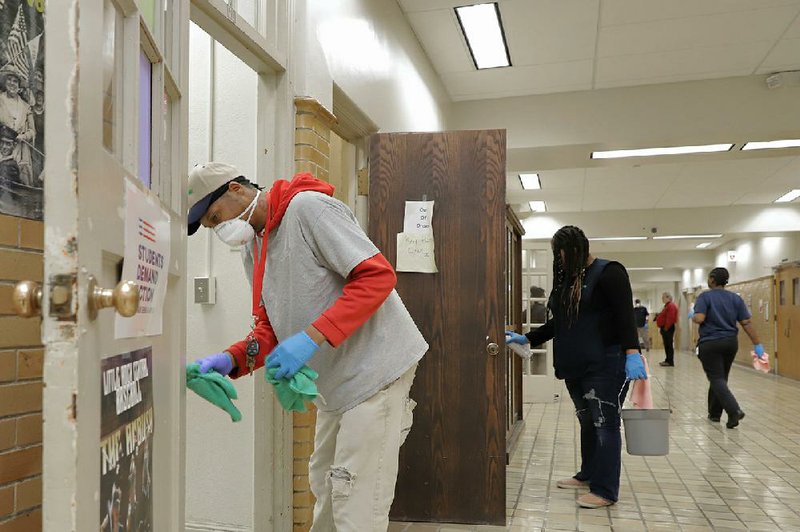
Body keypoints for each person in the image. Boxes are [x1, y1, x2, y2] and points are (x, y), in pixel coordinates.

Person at [186, 162, 428, 531]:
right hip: (335, 382)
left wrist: (309, 337)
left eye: (216, 217)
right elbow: (270, 328)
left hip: (375, 369)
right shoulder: (254, 245)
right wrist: (231, 360)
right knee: (324, 483)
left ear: (235, 189)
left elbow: (377, 277)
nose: (219, 229)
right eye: (210, 227)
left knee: (355, 494)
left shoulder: (309, 209)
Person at [506, 226, 647, 509]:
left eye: (563, 253)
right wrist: (528, 338)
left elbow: (625, 318)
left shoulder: (610, 273)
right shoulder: (568, 281)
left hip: (606, 364)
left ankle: (605, 490)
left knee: (605, 425)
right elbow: (559, 322)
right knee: (587, 422)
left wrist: (633, 353)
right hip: (575, 366)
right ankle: (588, 474)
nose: (560, 259)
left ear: (578, 249)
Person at [690, 267, 763, 429]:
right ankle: (715, 414)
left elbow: (700, 318)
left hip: (710, 342)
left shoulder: (705, 297)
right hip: (730, 342)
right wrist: (757, 343)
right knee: (721, 378)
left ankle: (734, 410)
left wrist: (693, 316)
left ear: (712, 279)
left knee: (716, 378)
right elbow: (746, 323)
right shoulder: (735, 299)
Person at [0, 65, 34, 185]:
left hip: (20, 151)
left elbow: (32, 131)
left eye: (15, 81)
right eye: (9, 79)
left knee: (20, 184)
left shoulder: (26, 106)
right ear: (5, 81)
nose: (12, 83)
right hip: (2, 148)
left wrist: (24, 136)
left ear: (19, 84)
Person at [656, 292, 678, 367]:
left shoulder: (671, 306)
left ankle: (670, 361)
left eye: (663, 297)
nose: (662, 299)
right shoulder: (667, 306)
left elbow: (670, 318)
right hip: (665, 327)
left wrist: (666, 328)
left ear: (668, 297)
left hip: (668, 328)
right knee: (666, 345)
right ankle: (667, 360)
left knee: (668, 344)